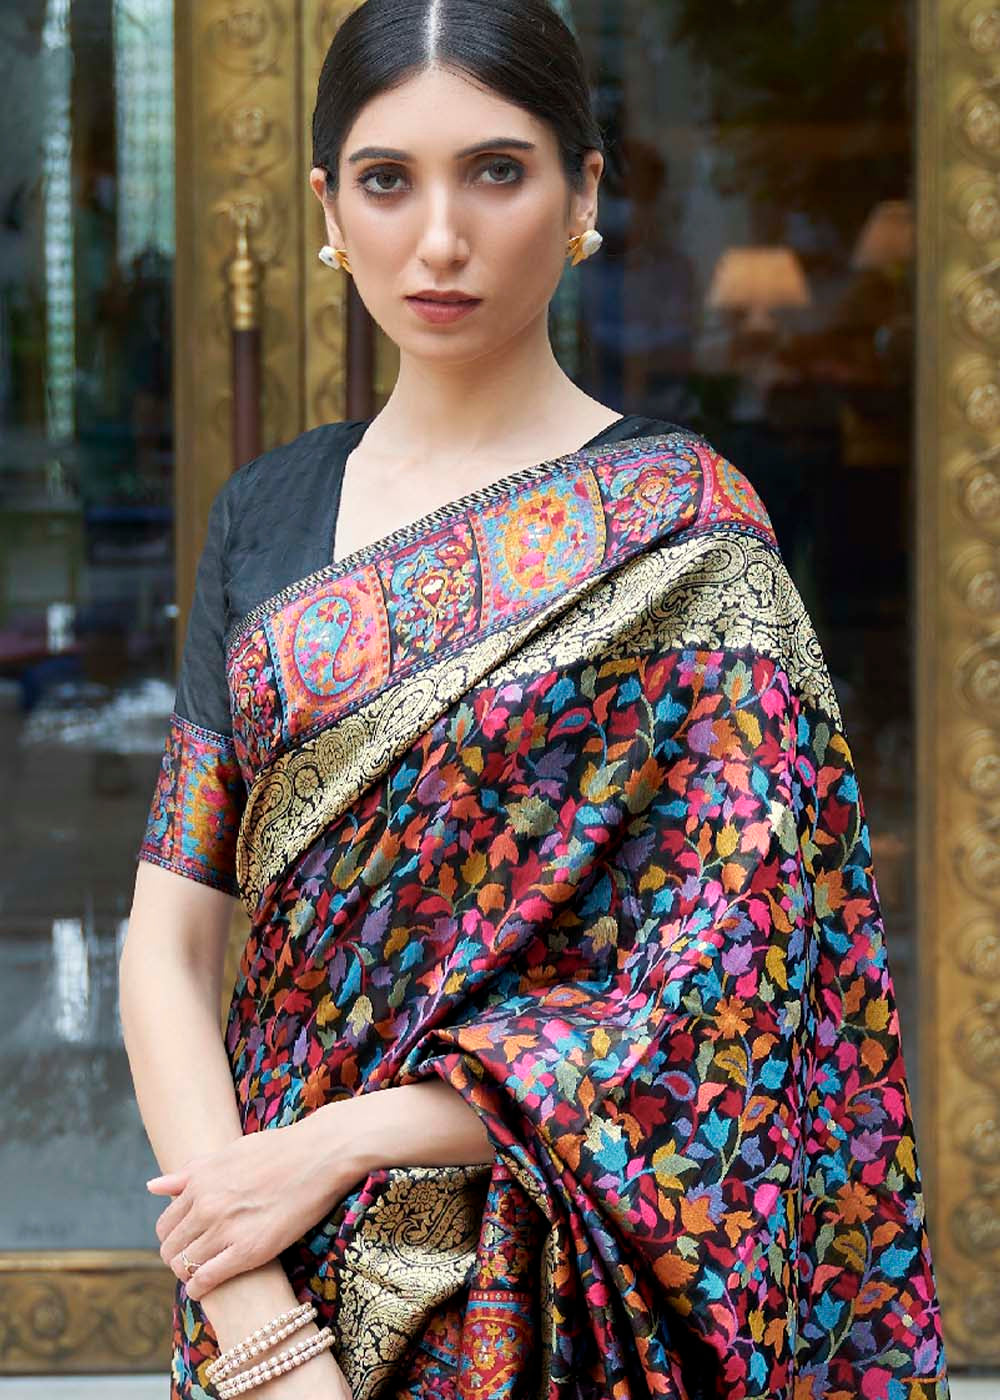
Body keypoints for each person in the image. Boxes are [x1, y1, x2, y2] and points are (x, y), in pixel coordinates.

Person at [119, 2, 951, 1397]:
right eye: (388, 180)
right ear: (328, 210)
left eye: (496, 171)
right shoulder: (263, 518)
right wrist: (257, 1325)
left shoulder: (689, 540)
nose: (440, 239)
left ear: (584, 194)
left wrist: (347, 1138)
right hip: (272, 1277)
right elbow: (168, 945)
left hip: (585, 1298)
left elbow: (729, 1000)